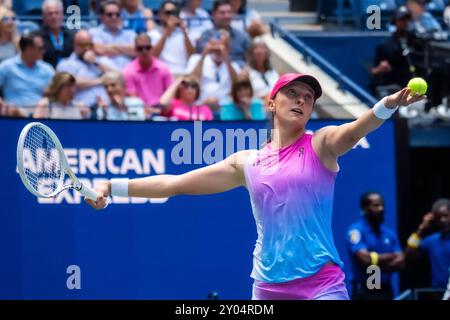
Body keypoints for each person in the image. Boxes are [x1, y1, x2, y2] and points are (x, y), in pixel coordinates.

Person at [85, 73, 424, 300]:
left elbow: (355, 130)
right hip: (268, 286)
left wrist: (388, 104)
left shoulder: (321, 144)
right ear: (272, 103)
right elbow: (174, 184)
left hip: (322, 282)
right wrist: (111, 186)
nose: (301, 100)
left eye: (308, 97)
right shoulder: (246, 162)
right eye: (292, 93)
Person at [347, 192, 405, 300]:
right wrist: (391, 256)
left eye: (382, 205)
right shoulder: (356, 231)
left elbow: (401, 262)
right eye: (376, 205)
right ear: (365, 208)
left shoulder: (389, 234)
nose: (381, 209)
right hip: (364, 291)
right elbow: (365, 259)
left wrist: (374, 264)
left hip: (385, 291)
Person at [56, 30, 114, 109]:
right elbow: (71, 82)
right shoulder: (66, 64)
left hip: (104, 109)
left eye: (89, 45)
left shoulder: (101, 61)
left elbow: (117, 77)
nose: (86, 48)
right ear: (75, 45)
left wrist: (96, 62)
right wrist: (101, 80)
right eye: (82, 45)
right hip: (80, 109)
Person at [0, 33, 54, 116]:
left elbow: (55, 93)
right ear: (28, 49)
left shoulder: (48, 69)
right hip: (13, 115)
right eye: (40, 48)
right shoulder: (6, 67)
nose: (43, 51)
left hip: (41, 114)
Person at [186, 33, 240, 111]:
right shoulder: (196, 59)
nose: (218, 51)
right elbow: (191, 81)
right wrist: (204, 54)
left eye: (223, 46)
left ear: (229, 49)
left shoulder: (233, 66)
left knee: (232, 121)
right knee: (197, 123)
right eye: (215, 46)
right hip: (200, 110)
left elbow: (238, 84)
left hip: (225, 111)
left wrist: (226, 57)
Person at [405, 198, 450, 289]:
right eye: (438, 218)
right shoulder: (432, 240)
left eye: (446, 216)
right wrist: (421, 229)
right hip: (438, 293)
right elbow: (409, 255)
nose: (442, 220)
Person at [123, 33, 173, 113]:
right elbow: (133, 100)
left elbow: (170, 95)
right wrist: (149, 111)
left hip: (163, 112)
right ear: (135, 50)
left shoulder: (163, 68)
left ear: (152, 48)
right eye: (140, 48)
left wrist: (159, 110)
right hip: (141, 114)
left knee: (195, 122)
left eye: (147, 48)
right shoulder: (129, 71)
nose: (144, 51)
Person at [371, 6, 414, 99]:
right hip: (393, 89)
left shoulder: (417, 41)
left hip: (413, 88)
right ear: (395, 21)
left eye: (407, 19)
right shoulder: (385, 44)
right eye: (402, 19)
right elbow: (374, 71)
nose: (405, 22)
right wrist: (381, 68)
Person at [196, 0, 250, 67]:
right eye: (222, 13)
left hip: (238, 73)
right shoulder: (205, 36)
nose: (226, 16)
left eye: (229, 12)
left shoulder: (242, 37)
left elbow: (250, 59)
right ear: (213, 14)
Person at [148, 1, 195, 76]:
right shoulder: (152, 34)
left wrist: (184, 33)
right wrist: (166, 32)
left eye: (174, 13)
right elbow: (153, 56)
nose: (171, 16)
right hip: (162, 75)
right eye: (168, 12)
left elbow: (192, 57)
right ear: (160, 15)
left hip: (183, 74)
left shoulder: (186, 34)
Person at [89, 0, 136, 71]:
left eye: (117, 14)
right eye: (110, 15)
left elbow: (137, 50)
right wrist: (125, 51)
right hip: (105, 75)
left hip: (128, 74)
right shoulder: (94, 32)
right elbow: (99, 50)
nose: (114, 17)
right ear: (102, 17)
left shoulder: (130, 34)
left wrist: (111, 46)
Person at [38, 0, 75, 68]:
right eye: (50, 14)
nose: (54, 17)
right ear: (43, 16)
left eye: (57, 13)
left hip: (69, 74)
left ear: (62, 15)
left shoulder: (73, 35)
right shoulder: (36, 37)